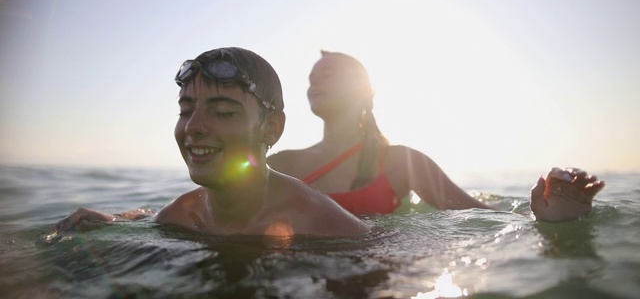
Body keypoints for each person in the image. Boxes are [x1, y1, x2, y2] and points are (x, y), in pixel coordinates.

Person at [53, 47, 370, 237]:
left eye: (222, 112)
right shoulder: (178, 216)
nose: (193, 126)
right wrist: (115, 223)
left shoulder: (323, 224)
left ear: (271, 129)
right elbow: (149, 221)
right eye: (185, 110)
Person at [266, 50, 605, 222]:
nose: (314, 83)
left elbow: (480, 215)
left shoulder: (401, 162)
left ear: (360, 90)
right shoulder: (281, 163)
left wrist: (548, 216)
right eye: (311, 78)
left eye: (327, 73)